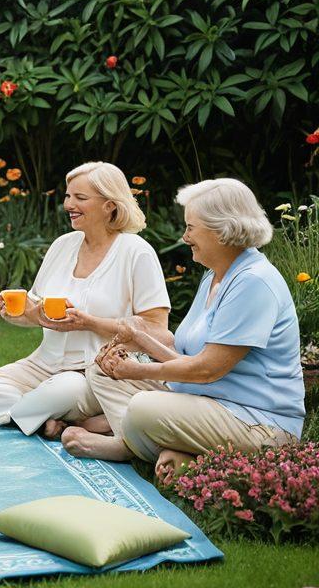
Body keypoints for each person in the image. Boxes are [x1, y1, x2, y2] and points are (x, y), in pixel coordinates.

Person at [65, 178, 303, 482]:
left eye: (191, 227)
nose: (185, 236)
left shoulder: (252, 281)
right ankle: (165, 446)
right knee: (100, 372)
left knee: (142, 407)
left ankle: (129, 445)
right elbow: (187, 357)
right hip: (204, 400)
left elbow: (206, 370)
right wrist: (140, 339)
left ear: (222, 229)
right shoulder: (215, 276)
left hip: (256, 421)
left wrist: (134, 371)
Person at [0, 161, 170, 437]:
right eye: (68, 196)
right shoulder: (63, 245)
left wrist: (89, 323)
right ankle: (50, 422)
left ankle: (37, 416)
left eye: (80, 198)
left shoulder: (136, 252)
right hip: (43, 364)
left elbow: (158, 332)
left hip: (97, 372)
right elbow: (38, 311)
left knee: (63, 390)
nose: (69, 204)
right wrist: (22, 312)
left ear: (110, 204)